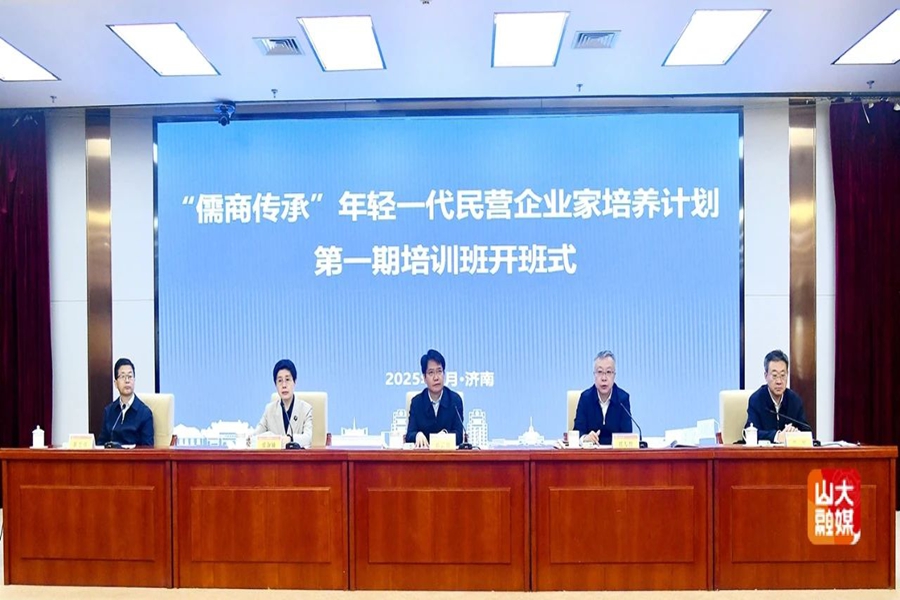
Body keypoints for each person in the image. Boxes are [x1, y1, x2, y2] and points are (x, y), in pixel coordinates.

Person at [745, 349, 810, 443]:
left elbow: (806, 432)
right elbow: (751, 433)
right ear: (766, 376)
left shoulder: (795, 400)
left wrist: (794, 433)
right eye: (774, 375)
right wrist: (777, 436)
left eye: (783, 375)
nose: (779, 381)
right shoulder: (756, 400)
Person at [405, 349, 464, 448]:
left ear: (444, 374)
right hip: (424, 456)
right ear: (424, 378)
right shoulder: (417, 402)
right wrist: (417, 435)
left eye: (439, 371)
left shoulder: (455, 400)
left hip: (448, 455)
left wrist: (446, 435)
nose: (436, 378)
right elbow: (409, 434)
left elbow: (459, 436)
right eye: (431, 373)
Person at [573, 350, 633, 445]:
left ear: (614, 375)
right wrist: (585, 438)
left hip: (616, 453)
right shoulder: (585, 398)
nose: (604, 378)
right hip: (590, 453)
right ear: (594, 374)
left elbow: (627, 435)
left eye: (608, 372)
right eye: (600, 372)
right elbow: (577, 432)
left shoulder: (623, 399)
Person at [255, 359, 313, 447]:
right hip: (275, 456)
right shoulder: (269, 409)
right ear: (275, 384)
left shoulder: (306, 409)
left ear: (295, 382)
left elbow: (308, 438)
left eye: (287, 379)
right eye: (280, 381)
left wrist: (290, 439)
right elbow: (256, 435)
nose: (284, 385)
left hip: (298, 456)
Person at [98, 358, 155, 447]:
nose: (127, 381)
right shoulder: (108, 411)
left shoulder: (145, 413)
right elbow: (100, 445)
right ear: (116, 383)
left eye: (130, 376)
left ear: (134, 380)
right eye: (123, 376)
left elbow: (148, 449)